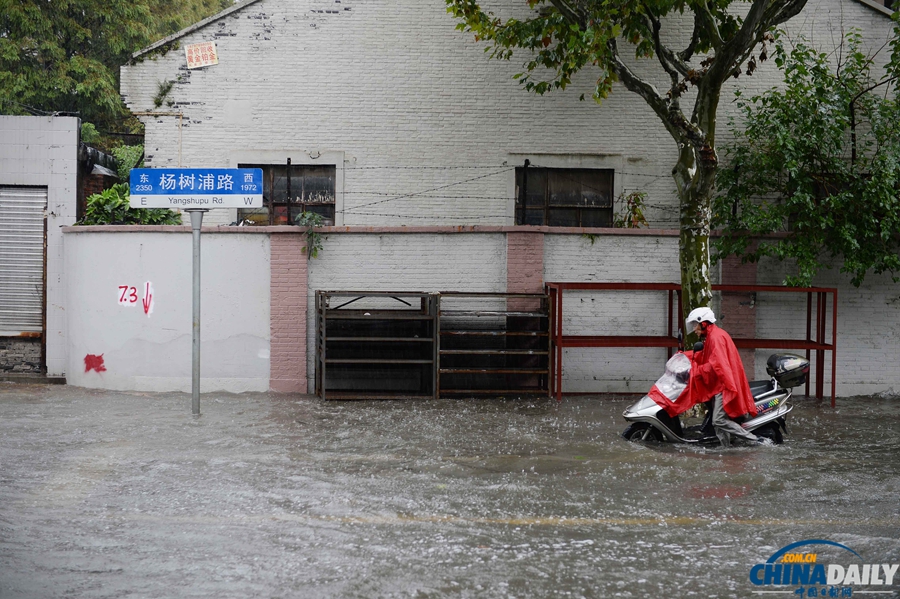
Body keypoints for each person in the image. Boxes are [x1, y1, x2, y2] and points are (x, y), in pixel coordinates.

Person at [684, 307, 770, 447]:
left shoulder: (715, 338)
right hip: (722, 383)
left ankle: (755, 440)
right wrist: (687, 357)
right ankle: (725, 449)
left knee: (718, 420)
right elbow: (708, 356)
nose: (694, 329)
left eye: (696, 325)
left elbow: (716, 365)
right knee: (717, 421)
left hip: (723, 385)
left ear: (704, 323)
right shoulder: (713, 336)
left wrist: (697, 370)